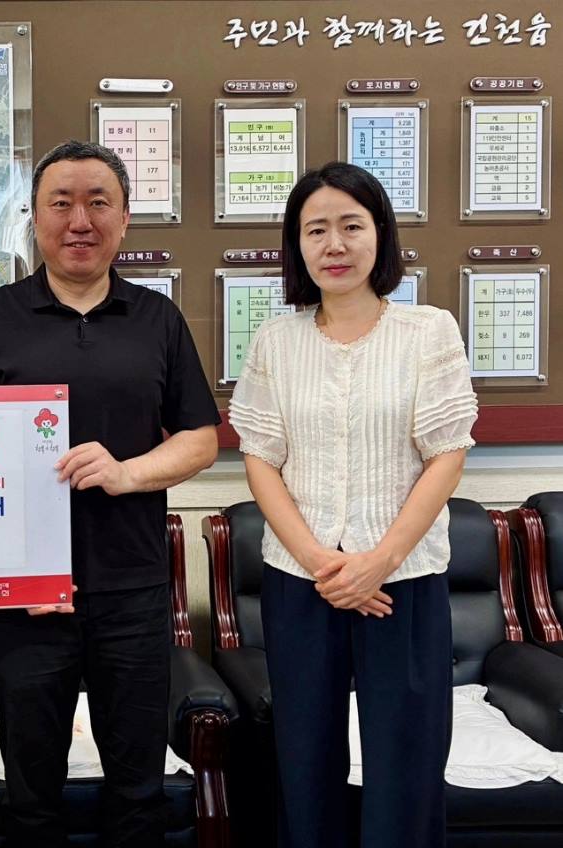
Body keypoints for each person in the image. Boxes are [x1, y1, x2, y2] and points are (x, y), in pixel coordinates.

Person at [0, 140, 220, 847]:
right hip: (27, 594)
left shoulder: (157, 319)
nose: (79, 221)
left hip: (132, 587)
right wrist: (2, 567)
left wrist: (128, 472)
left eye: (98, 203)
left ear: (123, 219)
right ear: (33, 218)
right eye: (60, 203)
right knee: (31, 789)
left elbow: (199, 438)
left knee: (137, 786)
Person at [229, 161, 478, 847]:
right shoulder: (276, 340)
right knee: (304, 760)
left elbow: (446, 454)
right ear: (296, 244)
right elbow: (260, 458)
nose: (333, 245)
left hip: (403, 581)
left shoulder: (427, 332)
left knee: (406, 762)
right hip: (300, 580)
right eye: (315, 230)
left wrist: (378, 562)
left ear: (380, 235)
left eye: (350, 226)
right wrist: (321, 562)